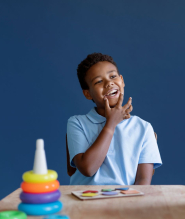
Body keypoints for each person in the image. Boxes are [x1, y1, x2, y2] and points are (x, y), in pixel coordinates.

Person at [67, 53, 162, 185]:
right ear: (87, 93)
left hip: (126, 202)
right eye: (98, 81)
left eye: (112, 76)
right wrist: (111, 124)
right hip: (85, 201)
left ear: (122, 81)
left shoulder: (143, 127)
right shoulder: (77, 123)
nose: (109, 83)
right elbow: (88, 169)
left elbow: (143, 181)